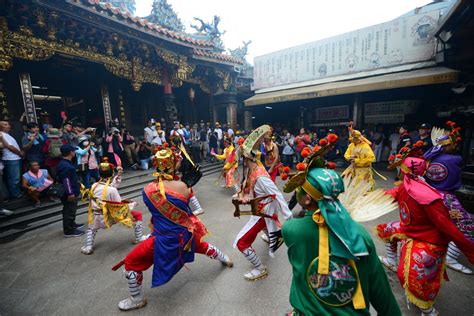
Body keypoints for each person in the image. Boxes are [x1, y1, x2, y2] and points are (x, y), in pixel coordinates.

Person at [281, 145, 401, 315]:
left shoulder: (291, 229)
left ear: (307, 199)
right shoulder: (360, 234)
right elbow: (382, 294)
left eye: (299, 188)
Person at [112, 146, 233, 311]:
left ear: (156, 165)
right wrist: (186, 184)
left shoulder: (147, 190)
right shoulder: (184, 186)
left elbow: (158, 215)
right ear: (175, 164)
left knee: (132, 262)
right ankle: (225, 258)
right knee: (202, 246)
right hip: (185, 234)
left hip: (163, 239)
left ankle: (136, 299)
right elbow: (189, 211)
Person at [377, 151, 474, 315]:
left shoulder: (429, 198)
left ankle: (427, 309)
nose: (398, 172)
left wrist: (470, 251)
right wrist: (364, 198)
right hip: (411, 230)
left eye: (400, 169)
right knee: (384, 229)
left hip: (428, 240)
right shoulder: (406, 186)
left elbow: (450, 228)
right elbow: (389, 195)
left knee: (409, 275)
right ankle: (391, 261)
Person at [234, 125, 292, 281]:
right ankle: (271, 235)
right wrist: (244, 196)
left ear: (246, 158)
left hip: (262, 213)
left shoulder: (260, 175)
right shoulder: (255, 169)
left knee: (241, 243)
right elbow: (250, 189)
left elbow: (277, 194)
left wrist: (288, 216)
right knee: (266, 227)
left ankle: (260, 268)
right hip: (261, 209)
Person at [424, 121, 473, 274]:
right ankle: (451, 257)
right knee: (468, 226)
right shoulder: (456, 160)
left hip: (428, 193)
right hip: (446, 197)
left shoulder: (430, 157)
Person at [81, 159, 146, 255]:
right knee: (138, 215)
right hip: (110, 216)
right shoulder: (111, 190)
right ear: (111, 174)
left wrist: (118, 175)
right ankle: (139, 237)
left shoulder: (94, 185)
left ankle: (88, 247)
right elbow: (119, 207)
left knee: (92, 229)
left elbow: (108, 187)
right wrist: (132, 204)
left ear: (99, 174)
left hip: (96, 215)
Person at [56, 144, 84, 237]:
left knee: (71, 209)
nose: (74, 152)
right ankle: (69, 230)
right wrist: (70, 193)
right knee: (69, 210)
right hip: (68, 192)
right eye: (73, 151)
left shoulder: (66, 163)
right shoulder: (65, 165)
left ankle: (72, 224)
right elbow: (66, 180)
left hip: (72, 190)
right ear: (71, 152)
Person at [341, 125, 376, 190]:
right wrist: (350, 157)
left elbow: (371, 158)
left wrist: (357, 160)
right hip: (354, 169)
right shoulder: (351, 145)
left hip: (363, 170)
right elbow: (346, 155)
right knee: (345, 181)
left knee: (362, 188)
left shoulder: (365, 146)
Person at [0, 121, 23, 199]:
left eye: (8, 124)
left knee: (13, 177)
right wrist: (20, 153)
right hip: (11, 158)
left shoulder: (6, 135)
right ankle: (16, 194)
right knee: (14, 178)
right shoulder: (2, 135)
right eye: (5, 125)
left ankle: (16, 192)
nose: (8, 126)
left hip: (14, 158)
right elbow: (10, 147)